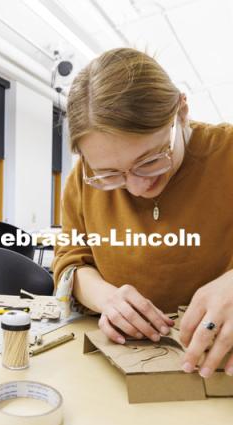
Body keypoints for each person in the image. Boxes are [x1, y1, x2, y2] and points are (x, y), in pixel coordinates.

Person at [52, 48, 233, 379]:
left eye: (150, 161)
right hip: (120, 366)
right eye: (110, 175)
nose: (136, 188)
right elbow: (71, 260)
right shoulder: (83, 177)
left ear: (181, 111)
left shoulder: (228, 154)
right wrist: (107, 299)